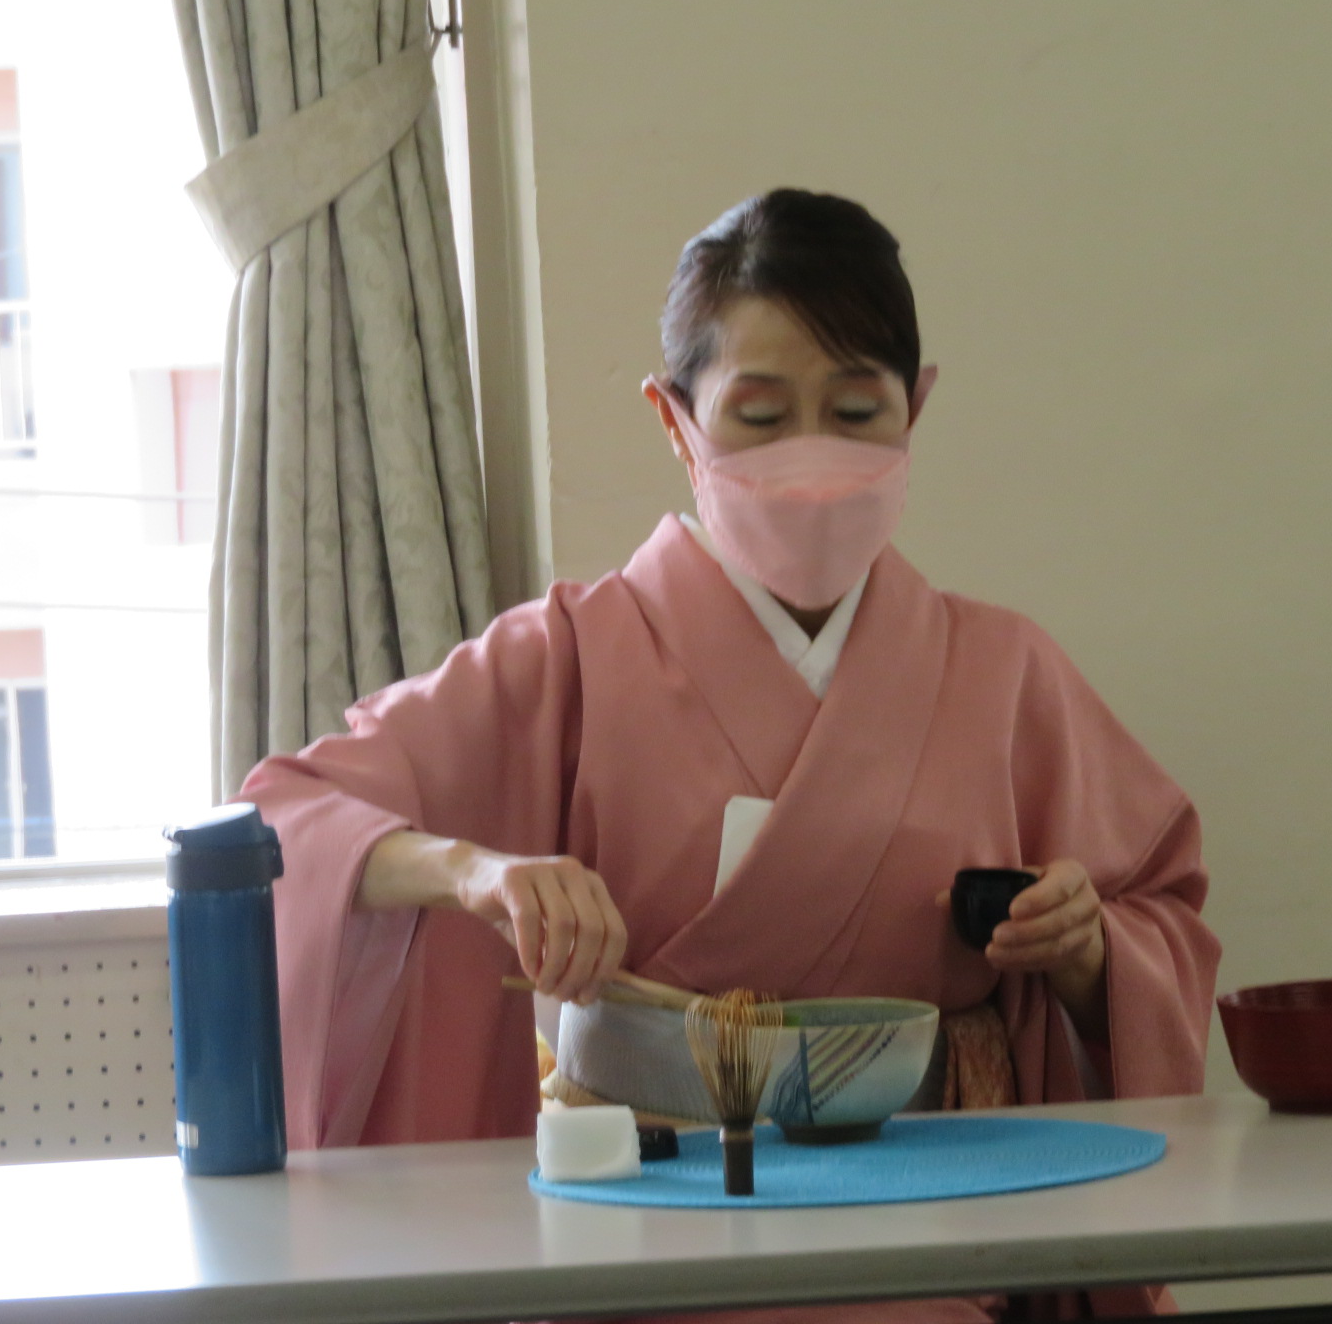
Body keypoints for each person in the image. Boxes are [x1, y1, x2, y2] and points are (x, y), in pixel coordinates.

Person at [243, 189, 1220, 1322]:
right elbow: (283, 819)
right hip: (648, 1244)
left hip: (937, 1235)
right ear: (675, 421)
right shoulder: (569, 657)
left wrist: (1086, 951)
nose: (813, 454)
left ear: (916, 408)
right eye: (759, 415)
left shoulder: (1004, 671)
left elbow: (1156, 907)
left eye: (855, 410)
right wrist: (476, 872)